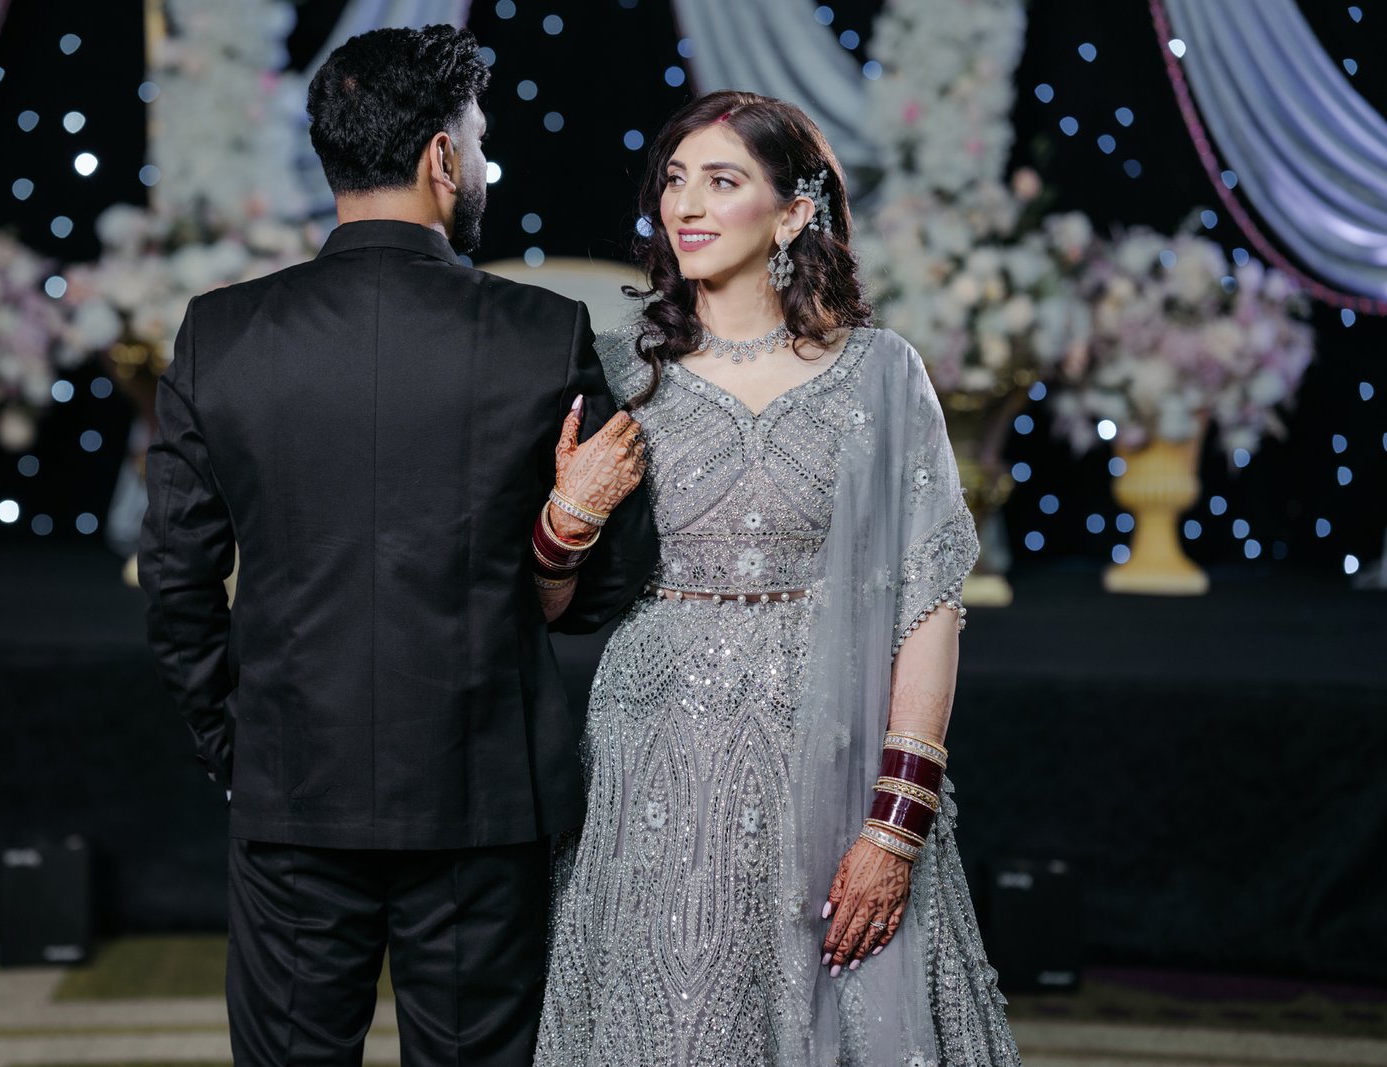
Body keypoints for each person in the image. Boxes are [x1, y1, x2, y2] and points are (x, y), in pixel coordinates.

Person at [137, 25, 654, 1066]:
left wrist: (237, 748)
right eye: (480, 140)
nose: (484, 163)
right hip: (482, 795)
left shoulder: (221, 333)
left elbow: (177, 583)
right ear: (441, 157)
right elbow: (612, 579)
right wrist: (555, 546)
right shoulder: (543, 332)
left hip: (293, 784)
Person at [534, 91, 1022, 1066]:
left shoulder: (880, 375)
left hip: (832, 753)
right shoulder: (619, 371)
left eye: (722, 181)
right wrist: (564, 523)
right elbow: (547, 603)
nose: (686, 204)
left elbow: (928, 602)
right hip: (658, 755)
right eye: (675, 180)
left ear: (794, 212)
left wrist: (896, 821)